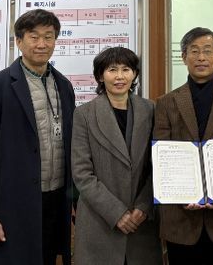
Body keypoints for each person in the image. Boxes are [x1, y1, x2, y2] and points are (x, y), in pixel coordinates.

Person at [0, 9, 75, 265]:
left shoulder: (64, 85)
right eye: (33, 36)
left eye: (48, 37)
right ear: (19, 41)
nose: (42, 44)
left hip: (55, 202)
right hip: (12, 206)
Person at [152, 27, 213, 265]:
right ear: (183, 57)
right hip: (181, 217)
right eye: (194, 51)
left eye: (207, 51)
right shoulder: (166, 103)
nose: (201, 57)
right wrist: (184, 194)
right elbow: (161, 157)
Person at [71, 47, 161, 265]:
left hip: (142, 224)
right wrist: (116, 213)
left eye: (126, 69)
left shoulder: (151, 110)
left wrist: (143, 206)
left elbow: (158, 166)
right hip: (99, 224)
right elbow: (82, 173)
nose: (120, 76)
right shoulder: (84, 114)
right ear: (101, 76)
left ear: (135, 74)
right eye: (112, 70)